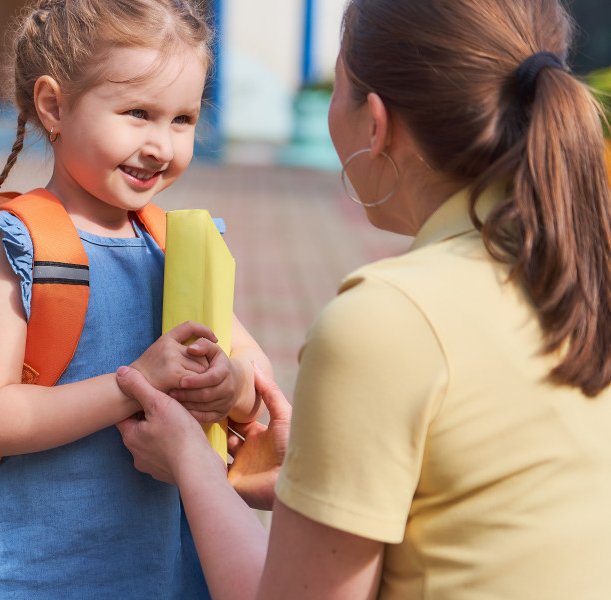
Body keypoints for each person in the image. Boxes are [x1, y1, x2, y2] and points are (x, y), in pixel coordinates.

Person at [116, 0, 611, 598]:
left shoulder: (389, 318)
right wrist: (312, 474)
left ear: (375, 123)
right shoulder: (581, 266)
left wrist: (193, 464)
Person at [0, 0, 272, 596]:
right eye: (138, 113)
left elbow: (253, 373)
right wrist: (132, 383)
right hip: (44, 568)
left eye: (183, 119)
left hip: (167, 565)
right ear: (54, 105)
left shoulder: (176, 243)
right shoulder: (18, 247)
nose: (161, 145)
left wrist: (234, 384)